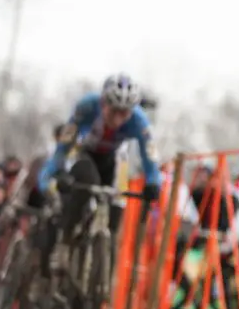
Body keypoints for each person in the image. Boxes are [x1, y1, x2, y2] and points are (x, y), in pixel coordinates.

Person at [38, 74, 162, 279]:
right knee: (87, 181)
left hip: (110, 160)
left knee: (115, 206)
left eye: (124, 113)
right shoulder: (86, 106)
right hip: (83, 154)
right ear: (103, 103)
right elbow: (63, 146)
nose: (118, 119)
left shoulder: (139, 121)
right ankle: (64, 243)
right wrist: (55, 173)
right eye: (113, 111)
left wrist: (153, 182)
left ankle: (100, 266)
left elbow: (149, 155)